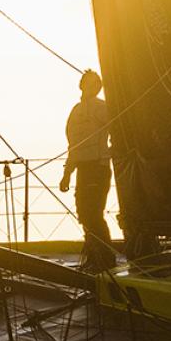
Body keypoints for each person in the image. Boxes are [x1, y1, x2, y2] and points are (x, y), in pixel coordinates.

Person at [61, 70, 117, 272]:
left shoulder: (101, 108)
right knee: (83, 213)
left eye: (93, 83)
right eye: (85, 82)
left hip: (98, 167)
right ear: (81, 84)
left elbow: (117, 128)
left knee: (93, 213)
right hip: (82, 169)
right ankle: (94, 255)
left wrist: (109, 153)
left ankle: (106, 258)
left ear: (98, 87)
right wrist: (67, 174)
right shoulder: (75, 111)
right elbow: (73, 145)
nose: (88, 85)